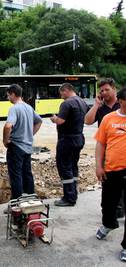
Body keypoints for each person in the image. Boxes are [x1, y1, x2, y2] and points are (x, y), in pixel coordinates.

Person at [94, 88, 126, 262]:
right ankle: (109, 224)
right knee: (108, 204)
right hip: (112, 170)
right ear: (120, 100)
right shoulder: (109, 118)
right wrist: (99, 166)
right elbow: (100, 144)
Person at [85, 78, 123, 218]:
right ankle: (112, 209)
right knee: (109, 180)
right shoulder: (101, 108)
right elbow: (87, 121)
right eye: (101, 91)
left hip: (122, 148)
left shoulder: (122, 104)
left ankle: (120, 207)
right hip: (106, 148)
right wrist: (96, 105)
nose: (104, 92)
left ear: (114, 89)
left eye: (107, 89)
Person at [50, 83, 88, 207]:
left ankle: (69, 197)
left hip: (67, 139)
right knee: (73, 166)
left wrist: (54, 118)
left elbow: (61, 121)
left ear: (66, 90)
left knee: (64, 167)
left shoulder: (67, 103)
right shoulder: (82, 102)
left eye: (61, 93)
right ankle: (74, 193)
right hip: (79, 138)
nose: (61, 96)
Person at [3, 84, 42, 200]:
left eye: (8, 95)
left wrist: (5, 140)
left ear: (13, 94)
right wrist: (30, 134)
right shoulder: (28, 107)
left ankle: (17, 203)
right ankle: (31, 200)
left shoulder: (14, 108)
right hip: (27, 147)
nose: (8, 98)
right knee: (27, 174)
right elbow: (39, 121)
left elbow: (8, 125)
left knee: (16, 176)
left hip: (16, 147)